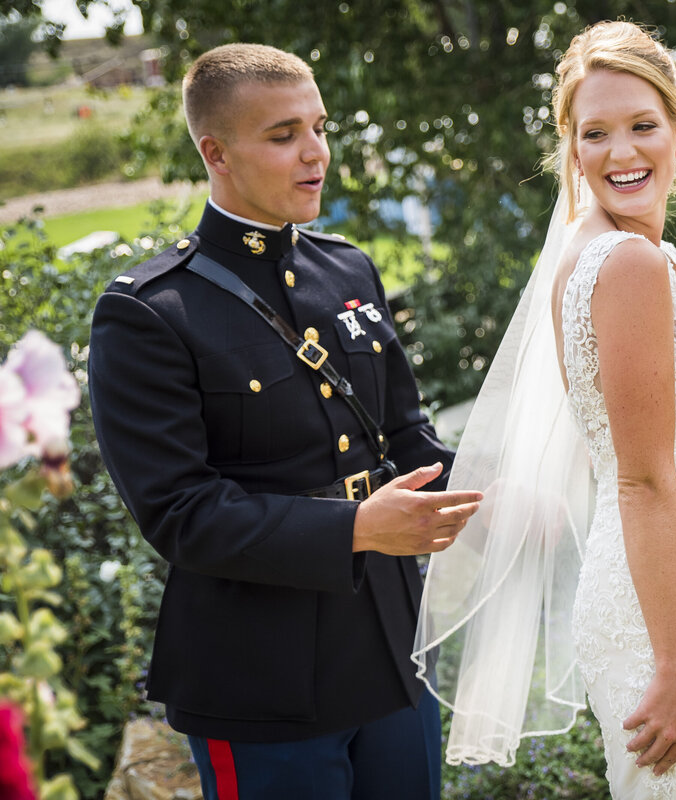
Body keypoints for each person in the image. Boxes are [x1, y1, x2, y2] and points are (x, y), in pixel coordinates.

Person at [414, 21, 676, 798]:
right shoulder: (626, 261)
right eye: (594, 133)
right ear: (572, 152)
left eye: (641, 126)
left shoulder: (642, 253)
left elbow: (640, 432)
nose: (621, 152)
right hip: (675, 611)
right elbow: (637, 479)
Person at [88, 43, 482, 800]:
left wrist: (510, 484)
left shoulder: (348, 269)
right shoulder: (149, 311)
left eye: (320, 128)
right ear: (217, 152)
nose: (316, 154)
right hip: (257, 677)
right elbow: (181, 513)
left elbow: (405, 438)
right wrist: (359, 529)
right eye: (283, 135)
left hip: (392, 649)